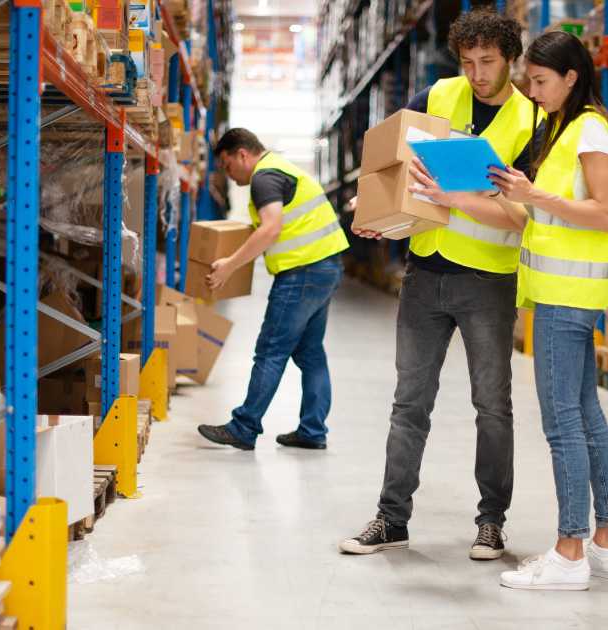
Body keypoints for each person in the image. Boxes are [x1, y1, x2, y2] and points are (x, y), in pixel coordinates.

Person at [411, 30, 608, 591]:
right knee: (587, 417)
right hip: (561, 290)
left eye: (539, 81)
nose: (530, 93)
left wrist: (532, 197)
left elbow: (603, 213)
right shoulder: (561, 129)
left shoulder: (588, 129)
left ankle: (569, 551)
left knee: (562, 426)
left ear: (571, 77)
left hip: (566, 295)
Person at [338, 9, 542, 561]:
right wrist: (371, 203)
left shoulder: (530, 121)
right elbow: (399, 164)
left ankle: (492, 521)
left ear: (511, 60)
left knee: (492, 406)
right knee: (409, 403)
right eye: (469, 62)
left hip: (488, 281)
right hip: (426, 271)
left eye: (489, 63)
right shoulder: (441, 95)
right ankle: (391, 518)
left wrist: (456, 201)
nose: (477, 74)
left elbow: (522, 218)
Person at [196, 128, 349, 451]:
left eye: (227, 165)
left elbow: (271, 228)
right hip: (326, 267)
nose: (228, 173)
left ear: (242, 154)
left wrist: (229, 266)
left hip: (302, 272)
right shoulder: (282, 169)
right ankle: (312, 429)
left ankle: (244, 426)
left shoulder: (264, 177)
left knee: (270, 350)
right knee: (310, 353)